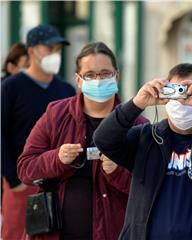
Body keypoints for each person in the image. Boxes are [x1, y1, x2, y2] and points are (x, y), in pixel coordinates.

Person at [93, 63, 192, 239]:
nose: (182, 99)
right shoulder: (147, 137)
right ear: (166, 94)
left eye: (190, 92)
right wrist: (136, 103)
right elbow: (103, 139)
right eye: (176, 90)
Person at [17, 42, 149, 240]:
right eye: (90, 75)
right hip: (55, 233)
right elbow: (26, 168)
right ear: (78, 80)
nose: (98, 80)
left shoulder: (138, 125)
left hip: (114, 232)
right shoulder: (56, 114)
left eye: (105, 73)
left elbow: (150, 188)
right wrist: (57, 158)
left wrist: (116, 172)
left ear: (117, 76)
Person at [1, 24, 75, 240]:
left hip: (58, 180)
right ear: (32, 51)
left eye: (58, 49)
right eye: (49, 48)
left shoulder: (66, 90)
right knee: (16, 234)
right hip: (22, 180)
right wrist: (13, 180)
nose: (55, 54)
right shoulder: (11, 87)